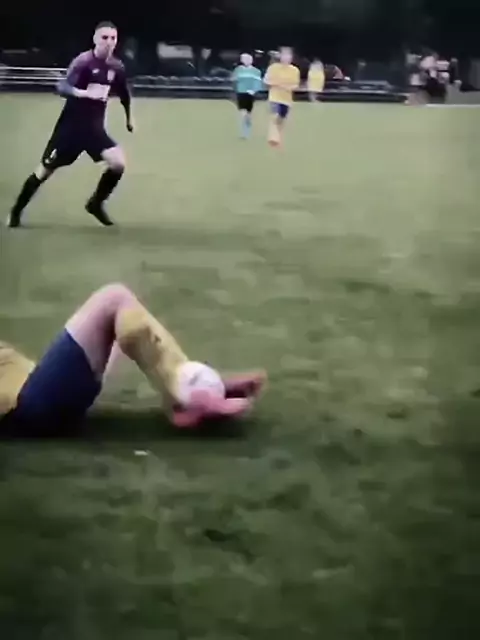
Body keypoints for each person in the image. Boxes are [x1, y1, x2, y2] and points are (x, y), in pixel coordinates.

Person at [0, 284, 266, 434]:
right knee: (114, 299)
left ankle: (199, 386)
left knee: (122, 316)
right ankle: (187, 392)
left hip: (32, 393)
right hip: (28, 405)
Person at [7, 21, 134, 229]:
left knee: (118, 163)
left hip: (94, 131)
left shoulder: (116, 67)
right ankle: (16, 211)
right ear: (95, 39)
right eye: (105, 37)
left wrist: (129, 118)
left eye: (113, 38)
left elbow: (124, 93)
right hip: (70, 131)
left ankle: (95, 204)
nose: (109, 42)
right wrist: (83, 93)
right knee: (43, 172)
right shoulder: (83, 62)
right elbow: (62, 86)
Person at [263, 47, 300, 147]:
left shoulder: (294, 70)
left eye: (288, 55)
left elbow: (295, 85)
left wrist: (288, 87)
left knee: (281, 119)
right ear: (280, 56)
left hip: (286, 99)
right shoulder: (273, 68)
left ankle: (278, 137)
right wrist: (276, 84)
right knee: (274, 116)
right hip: (274, 97)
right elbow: (266, 81)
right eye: (284, 55)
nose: (286, 57)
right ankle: (273, 138)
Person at [231, 53, 263, 139]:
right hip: (241, 93)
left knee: (248, 113)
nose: (246, 61)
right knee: (243, 112)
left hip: (250, 94)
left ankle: (247, 130)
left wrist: (253, 90)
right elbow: (234, 80)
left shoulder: (256, 71)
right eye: (244, 59)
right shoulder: (238, 70)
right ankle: (244, 133)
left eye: (248, 59)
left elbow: (258, 83)